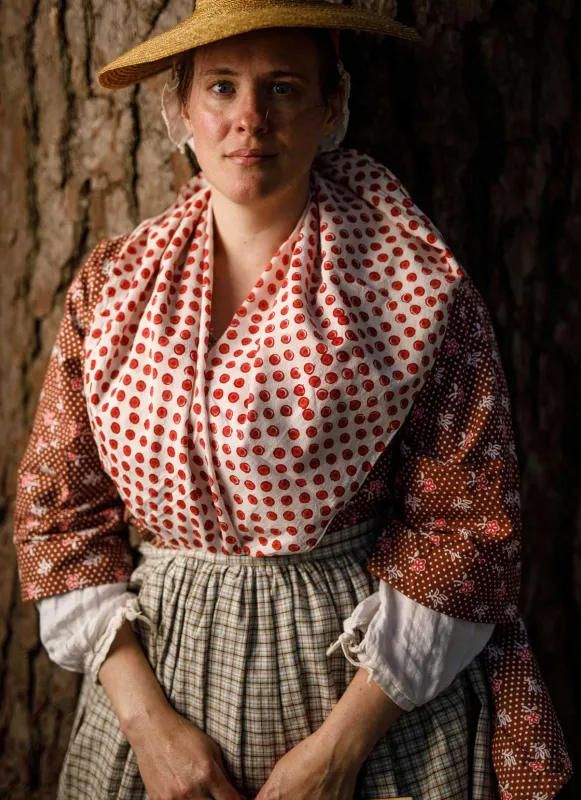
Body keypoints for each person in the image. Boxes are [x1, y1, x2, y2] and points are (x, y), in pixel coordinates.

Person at [12, 2, 572, 799]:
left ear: (331, 105)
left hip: (368, 702)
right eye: (221, 88)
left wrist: (340, 751)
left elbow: (468, 526)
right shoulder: (112, 287)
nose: (249, 119)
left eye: (281, 88)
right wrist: (149, 727)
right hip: (157, 689)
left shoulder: (412, 285)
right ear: (180, 107)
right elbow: (57, 515)